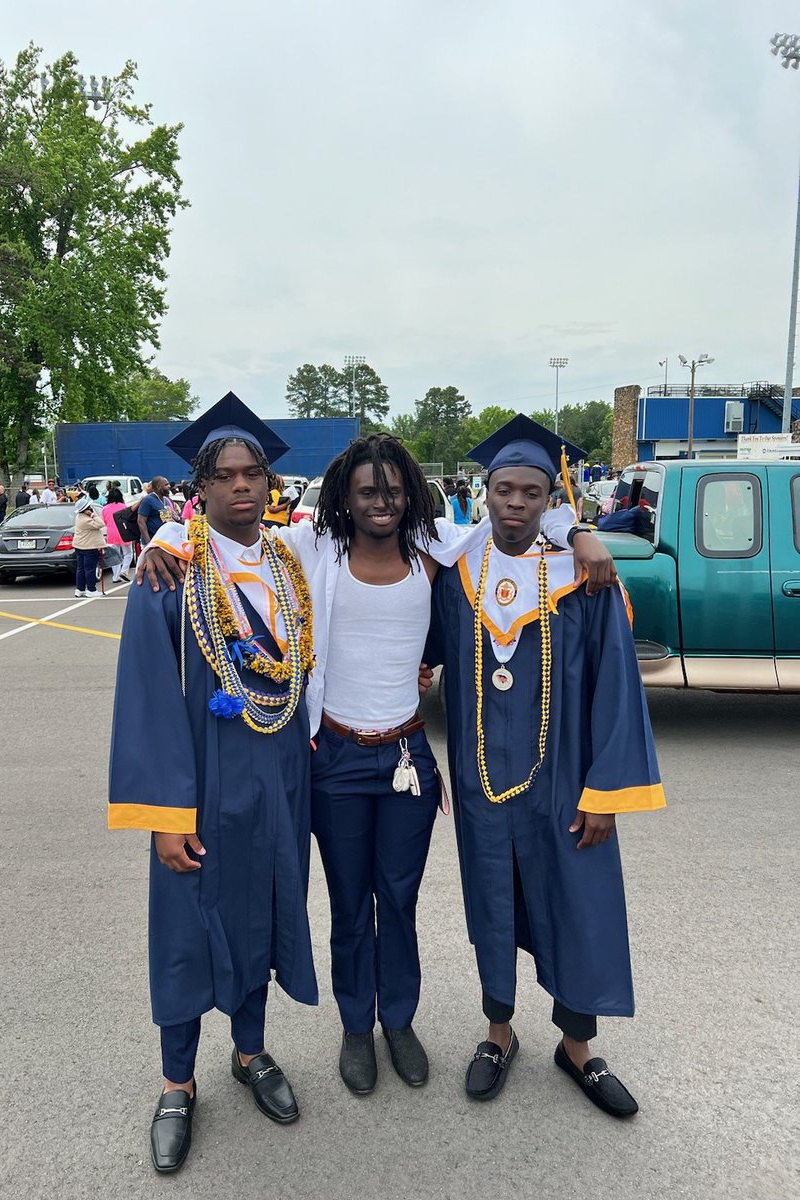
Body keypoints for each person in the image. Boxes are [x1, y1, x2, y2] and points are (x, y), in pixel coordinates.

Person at [142, 417, 620, 1101]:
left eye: (393, 490)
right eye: (367, 490)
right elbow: (232, 540)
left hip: (405, 761)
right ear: (344, 494)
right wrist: (162, 534)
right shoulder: (311, 548)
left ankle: (399, 1020)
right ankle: (355, 1027)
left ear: (411, 495)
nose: (381, 501)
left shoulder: (435, 549)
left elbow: (517, 521)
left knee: (397, 901)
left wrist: (579, 529)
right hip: (334, 758)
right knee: (346, 904)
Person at [425, 414, 665, 1119]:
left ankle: (578, 1047)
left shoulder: (584, 578)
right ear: (486, 491)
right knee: (491, 903)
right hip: (481, 784)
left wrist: (606, 793)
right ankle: (499, 1033)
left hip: (561, 782)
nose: (515, 504)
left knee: (576, 904)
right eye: (504, 489)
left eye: (533, 492)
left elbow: (617, 691)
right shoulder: (458, 570)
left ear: (550, 502)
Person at [109, 395, 318, 1174]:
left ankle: (252, 1052)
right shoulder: (170, 577)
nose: (241, 486)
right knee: (187, 933)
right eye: (224, 476)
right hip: (199, 792)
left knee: (265, 910)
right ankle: (177, 1083)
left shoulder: (289, 563)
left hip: (277, 781)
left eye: (253, 472)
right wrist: (165, 815)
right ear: (200, 490)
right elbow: (149, 704)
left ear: (270, 483)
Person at [72, 495, 107, 598]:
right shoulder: (86, 520)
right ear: (86, 509)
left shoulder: (79, 517)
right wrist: (92, 514)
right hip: (89, 547)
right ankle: (91, 589)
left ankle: (80, 589)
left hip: (79, 546)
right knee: (90, 569)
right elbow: (101, 523)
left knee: (81, 568)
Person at [101, 486, 135, 583]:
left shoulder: (105, 508)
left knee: (114, 556)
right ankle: (123, 572)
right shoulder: (124, 507)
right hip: (124, 532)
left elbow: (104, 522)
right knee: (128, 554)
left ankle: (115, 577)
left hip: (111, 534)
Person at [137, 476, 178, 545]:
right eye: (166, 484)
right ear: (158, 487)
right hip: (153, 541)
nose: (169, 486)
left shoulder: (166, 500)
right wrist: (148, 542)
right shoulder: (148, 500)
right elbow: (141, 521)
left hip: (165, 541)